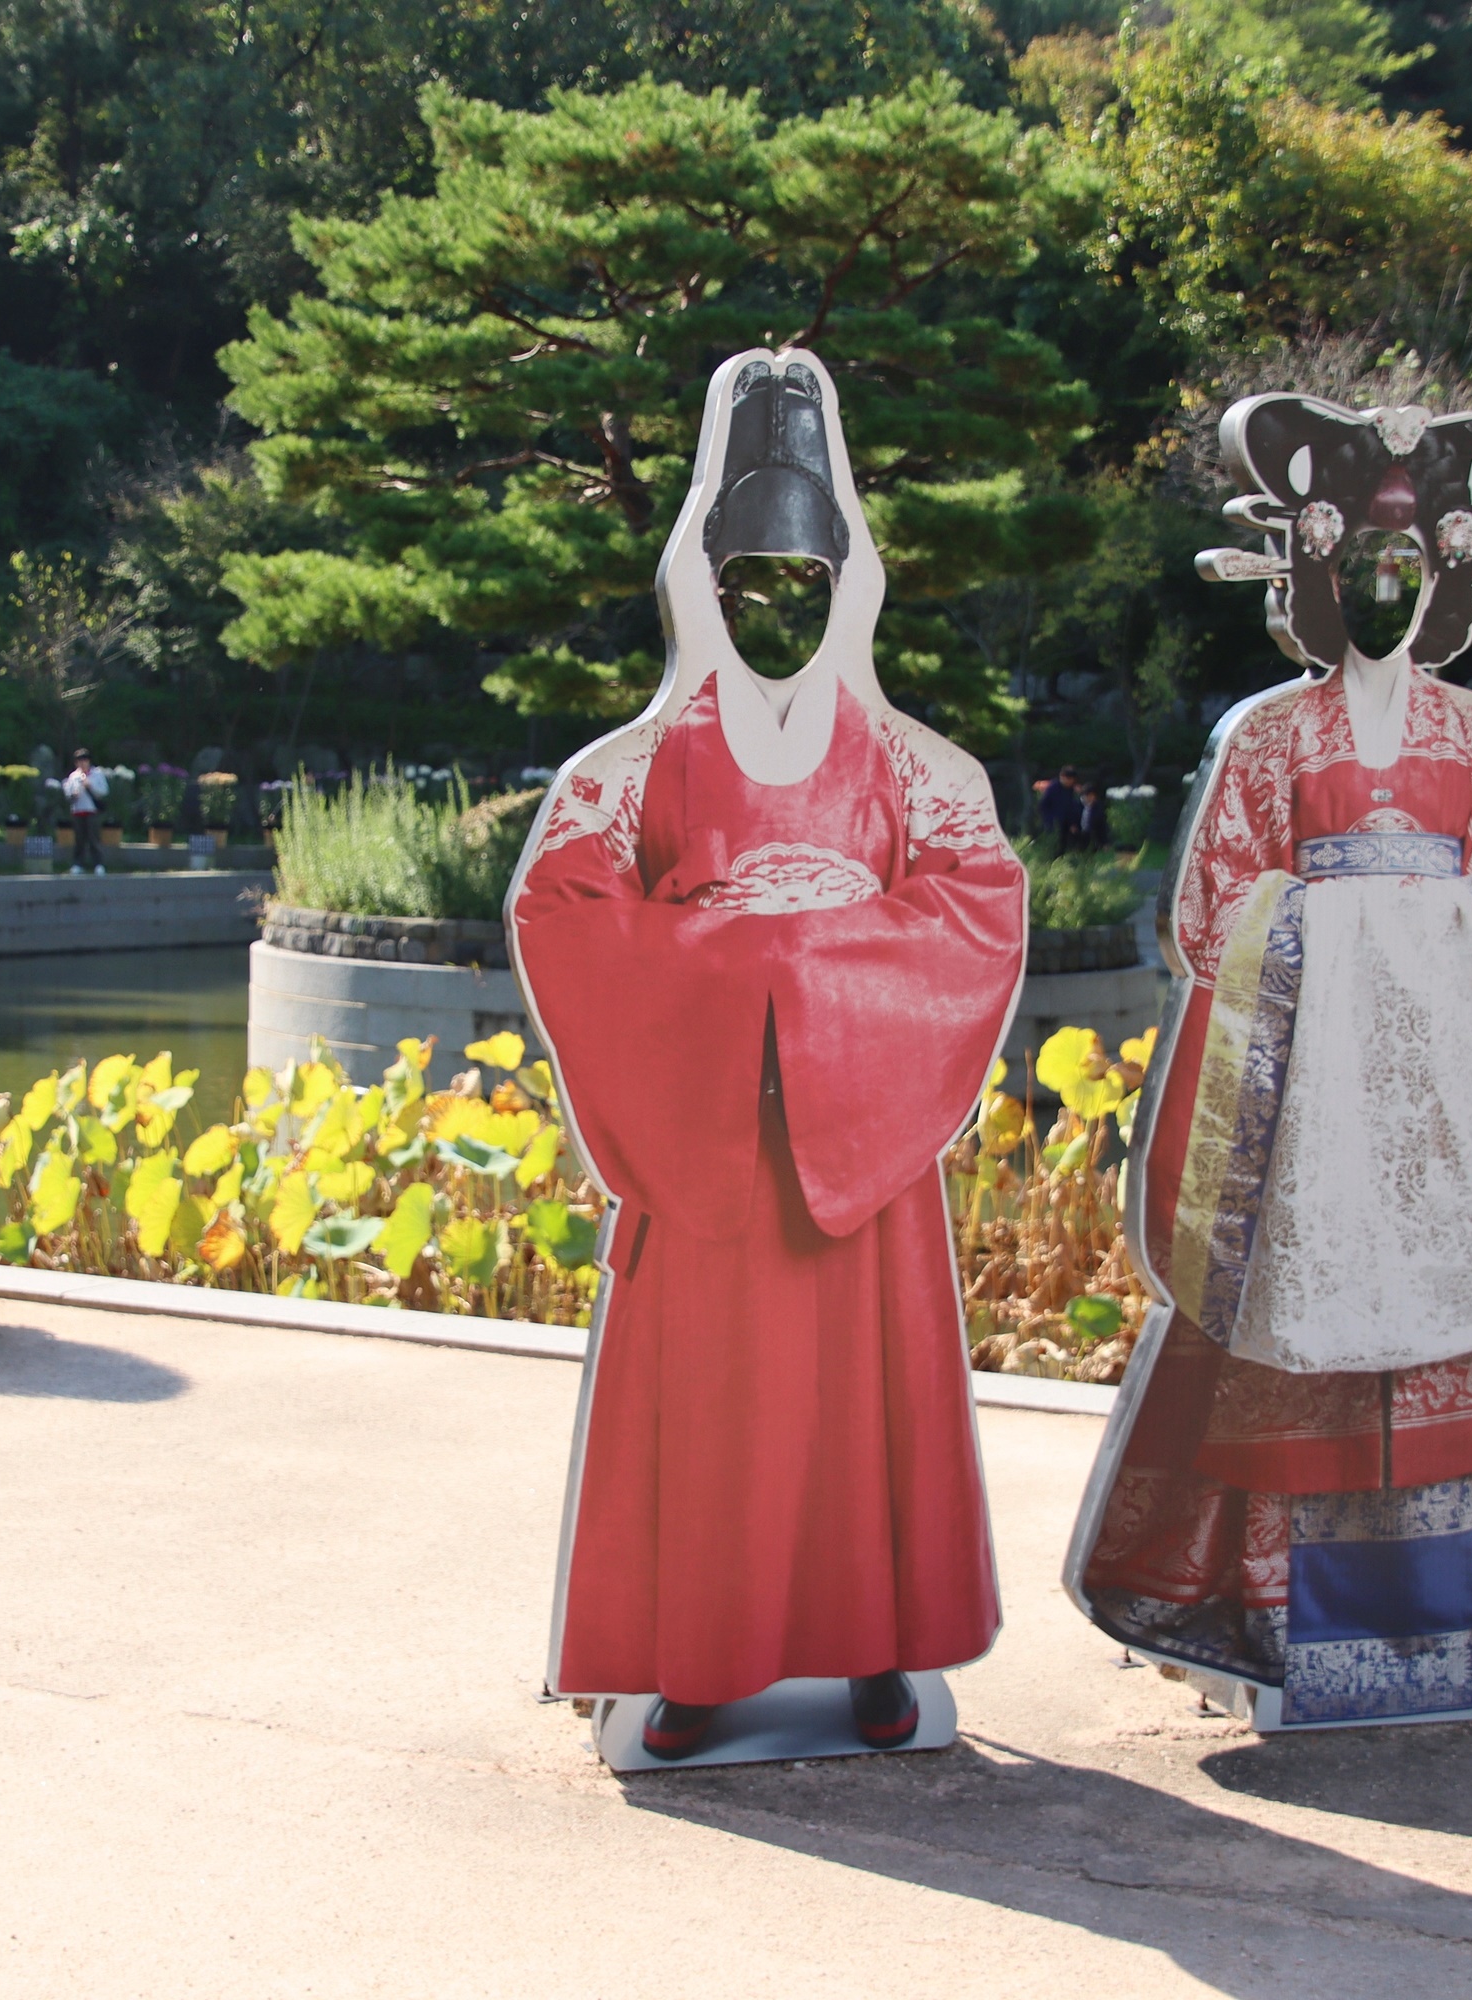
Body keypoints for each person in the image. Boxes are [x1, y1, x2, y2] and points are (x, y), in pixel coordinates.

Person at [512, 350, 1026, 1762]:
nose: (777, 604)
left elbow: (979, 906)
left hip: (858, 1143)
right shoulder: (631, 764)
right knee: (715, 1405)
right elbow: (562, 908)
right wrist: (758, 972)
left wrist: (792, 975)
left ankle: (875, 1645)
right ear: (700, 580)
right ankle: (697, 1656)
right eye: (746, 579)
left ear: (852, 577)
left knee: (864, 1405)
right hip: (712, 1140)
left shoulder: (918, 764)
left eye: (806, 577)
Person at [1068, 392, 1472, 1726]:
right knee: (1289, 1338)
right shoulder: (1269, 734)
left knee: (1452, 1331)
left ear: (1453, 573)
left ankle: (1447, 1635)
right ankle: (1273, 1634)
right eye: (1358, 561)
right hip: (1310, 1113)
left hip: (1441, 1112)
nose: (1382, 587)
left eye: (1408, 563)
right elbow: (1213, 915)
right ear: (1305, 571)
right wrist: (1350, 924)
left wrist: (1430, 924)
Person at [63, 749, 108, 875]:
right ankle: (78, 864)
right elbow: (68, 792)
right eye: (79, 761)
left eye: (85, 761)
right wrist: (73, 794)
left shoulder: (97, 774)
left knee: (94, 839)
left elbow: (104, 791)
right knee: (79, 840)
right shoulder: (73, 776)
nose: (82, 764)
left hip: (92, 811)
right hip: (78, 810)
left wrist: (90, 786)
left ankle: (98, 864)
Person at [1038, 764, 1084, 848]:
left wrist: (1073, 823)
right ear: (1062, 777)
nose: (1070, 782)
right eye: (1068, 779)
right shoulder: (1052, 789)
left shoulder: (1073, 790)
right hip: (1054, 821)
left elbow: (1075, 807)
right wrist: (1049, 821)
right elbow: (1043, 806)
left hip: (1069, 822)